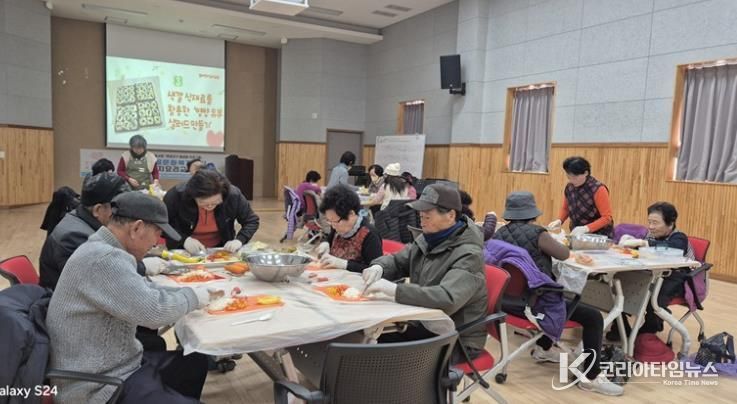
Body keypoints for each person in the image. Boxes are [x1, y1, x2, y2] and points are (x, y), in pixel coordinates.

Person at [46, 192, 212, 403]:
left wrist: (190, 294)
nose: (156, 243)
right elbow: (154, 312)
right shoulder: (105, 259)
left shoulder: (104, 249)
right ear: (136, 228)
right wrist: (192, 298)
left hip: (121, 365)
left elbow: (145, 291)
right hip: (99, 386)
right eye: (158, 233)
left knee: (195, 362)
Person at [494, 191, 622, 396]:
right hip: (533, 306)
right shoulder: (538, 234)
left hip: (506, 303)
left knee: (555, 298)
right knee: (593, 317)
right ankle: (591, 377)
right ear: (533, 213)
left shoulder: (499, 234)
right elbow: (562, 254)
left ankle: (543, 349)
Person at [361, 184, 488, 364]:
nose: (422, 221)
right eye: (420, 216)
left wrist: (396, 290)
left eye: (427, 216)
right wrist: (379, 267)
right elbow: (398, 260)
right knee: (364, 341)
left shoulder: (469, 254)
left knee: (378, 356)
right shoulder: (428, 238)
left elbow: (447, 299)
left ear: (451, 215)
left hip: (456, 338)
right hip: (425, 322)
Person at [39, 172, 130, 290]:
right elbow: (107, 281)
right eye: (118, 208)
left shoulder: (82, 218)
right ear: (98, 210)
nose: (123, 214)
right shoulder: (75, 237)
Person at [618, 202, 696, 335]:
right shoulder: (650, 235)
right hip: (653, 273)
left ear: (670, 224)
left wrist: (644, 243)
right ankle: (621, 329)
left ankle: (651, 328)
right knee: (622, 289)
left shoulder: (679, 237)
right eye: (649, 222)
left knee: (654, 299)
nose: (651, 226)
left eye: (655, 223)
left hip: (677, 276)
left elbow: (671, 248)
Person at [164, 168, 260, 254]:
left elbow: (251, 221)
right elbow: (163, 224)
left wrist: (239, 240)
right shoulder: (176, 196)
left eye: (215, 202)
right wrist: (183, 240)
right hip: (183, 250)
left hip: (222, 249)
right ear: (193, 197)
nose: (209, 206)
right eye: (203, 203)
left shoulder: (233, 196)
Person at [313, 185, 382, 273]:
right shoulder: (337, 223)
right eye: (329, 221)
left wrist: (344, 264)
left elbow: (375, 270)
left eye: (335, 221)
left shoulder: (370, 234)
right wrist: (325, 243)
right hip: (334, 276)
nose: (333, 226)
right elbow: (329, 238)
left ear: (351, 214)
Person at [549, 156, 613, 237]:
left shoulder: (598, 189)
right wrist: (559, 220)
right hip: (577, 233)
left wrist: (586, 228)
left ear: (586, 173)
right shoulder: (570, 187)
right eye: (569, 177)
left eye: (575, 178)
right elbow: (566, 208)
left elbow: (607, 218)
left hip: (598, 235)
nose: (571, 181)